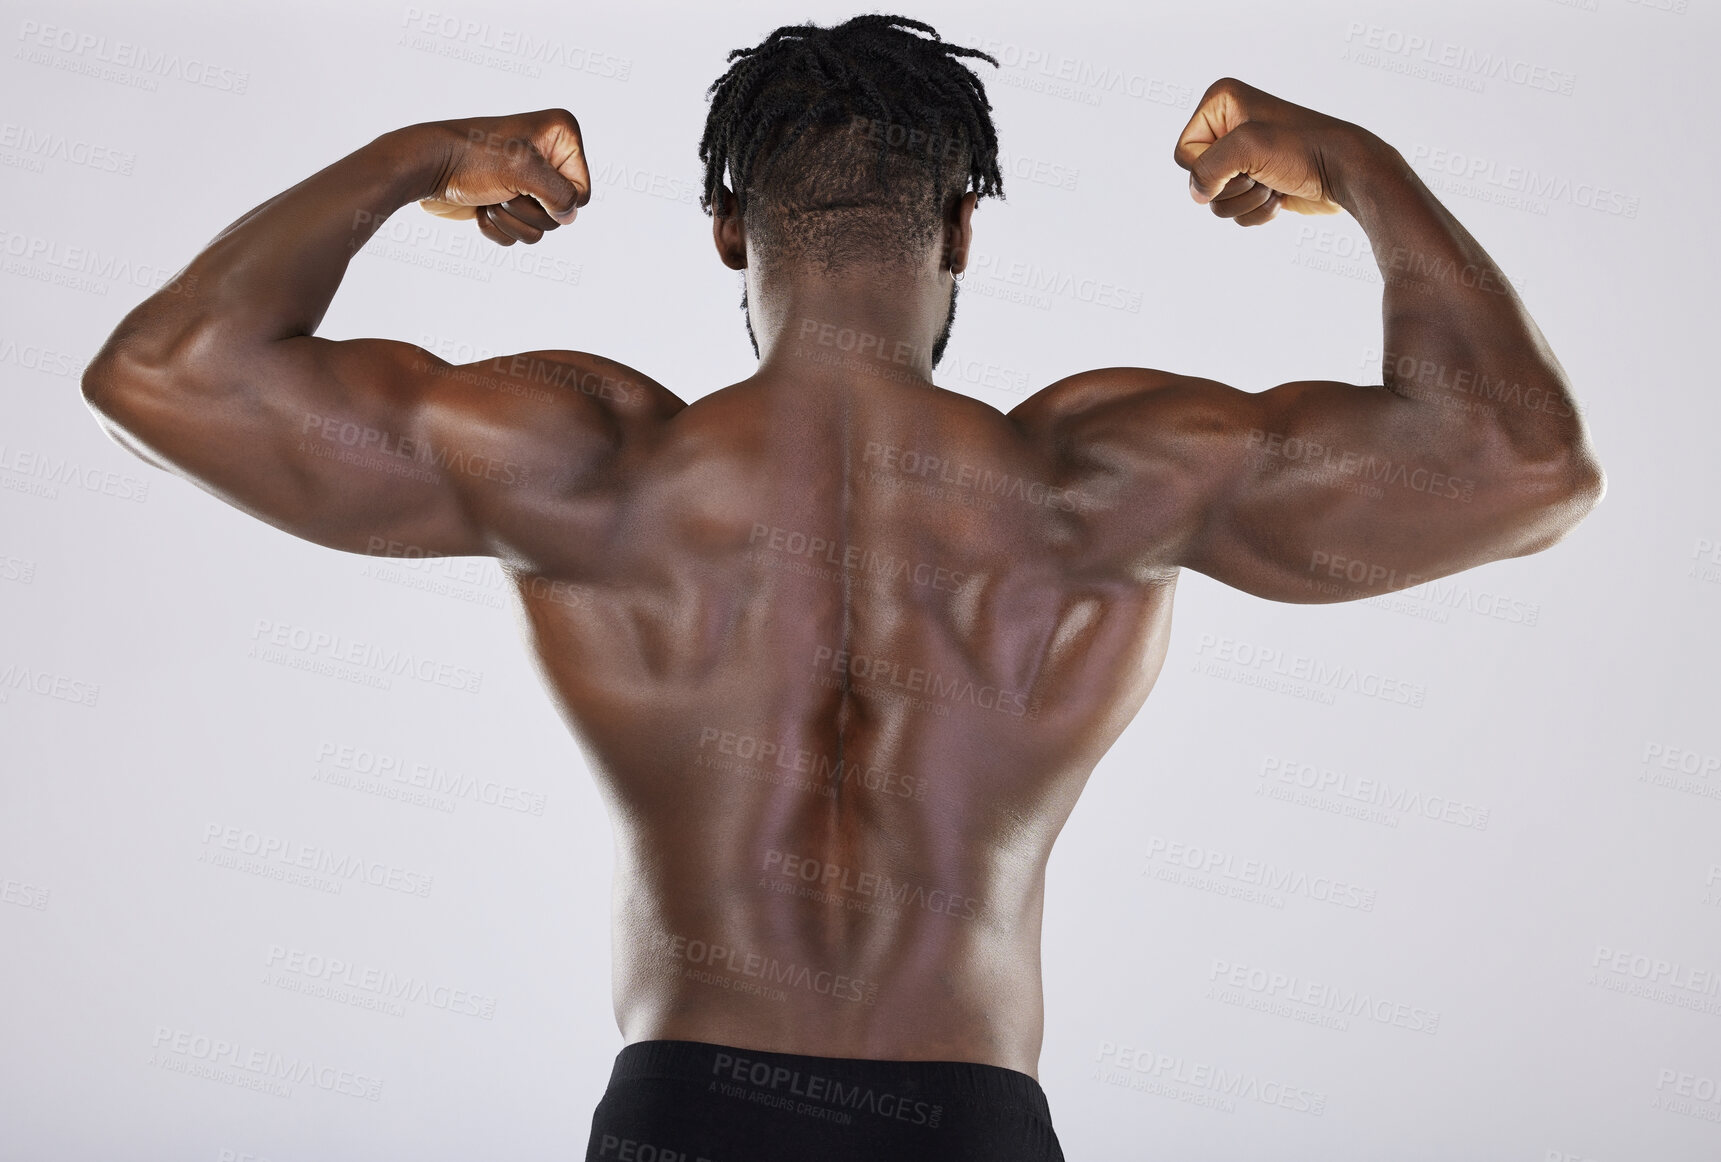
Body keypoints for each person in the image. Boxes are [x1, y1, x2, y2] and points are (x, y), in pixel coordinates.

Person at [79, 14, 1603, 1161]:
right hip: (971, 1114)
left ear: (731, 229)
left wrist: (417, 159)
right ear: (956, 228)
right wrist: (1357, 167)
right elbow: (1522, 467)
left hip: (685, 1109)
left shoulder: (586, 461)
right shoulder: (1105, 474)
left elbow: (163, 376)